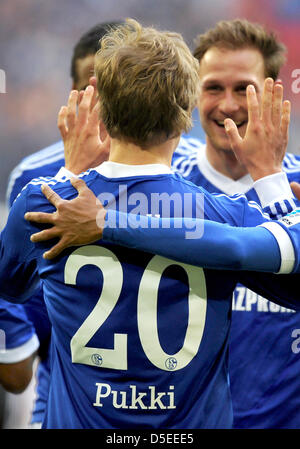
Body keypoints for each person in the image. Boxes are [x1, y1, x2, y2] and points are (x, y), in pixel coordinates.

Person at [0, 19, 299, 429]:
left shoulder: (43, 201)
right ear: (185, 117)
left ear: (103, 107)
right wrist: (271, 180)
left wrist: (70, 179)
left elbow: (12, 287)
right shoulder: (225, 213)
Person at [169, 19, 300, 429]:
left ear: (274, 96)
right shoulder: (162, 190)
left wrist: (269, 179)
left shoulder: (296, 192)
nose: (228, 105)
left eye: (244, 88)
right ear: (192, 95)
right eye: (213, 88)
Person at [1, 21, 118, 427]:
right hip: (66, 400)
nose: (106, 100)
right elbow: (16, 296)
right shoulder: (34, 178)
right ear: (73, 94)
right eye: (92, 88)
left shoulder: (180, 168)